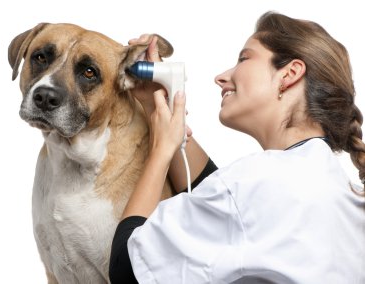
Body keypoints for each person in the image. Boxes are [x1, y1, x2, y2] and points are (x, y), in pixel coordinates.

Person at [109, 11, 365, 283]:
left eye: (244, 58)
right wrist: (157, 109)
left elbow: (125, 268)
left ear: (290, 73)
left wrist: (160, 151)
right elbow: (227, 211)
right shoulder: (335, 189)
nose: (221, 77)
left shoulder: (257, 181)